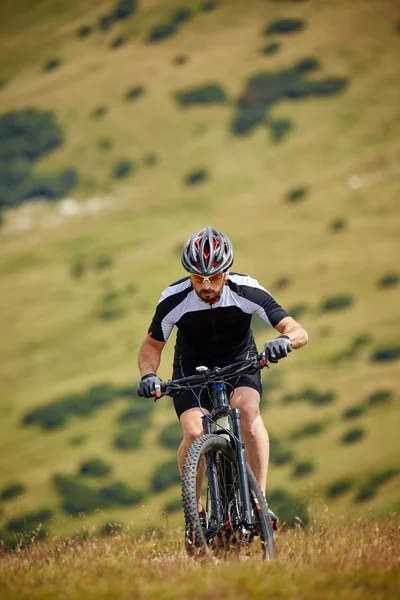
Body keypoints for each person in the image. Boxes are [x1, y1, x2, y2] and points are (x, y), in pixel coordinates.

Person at [137, 226, 308, 527]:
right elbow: (152, 345)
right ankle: (197, 513)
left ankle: (259, 503)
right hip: (192, 366)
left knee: (247, 412)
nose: (205, 285)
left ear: (226, 272)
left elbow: (297, 331)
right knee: (194, 432)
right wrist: (148, 375)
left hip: (239, 360)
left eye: (214, 277)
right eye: (197, 278)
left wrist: (285, 341)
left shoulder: (247, 290)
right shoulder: (173, 299)